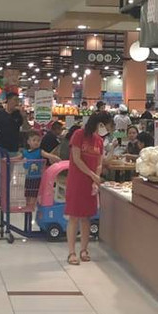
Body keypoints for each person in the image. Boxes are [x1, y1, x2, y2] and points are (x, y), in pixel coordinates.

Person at [66, 111, 112, 265]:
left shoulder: (99, 140)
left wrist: (95, 178)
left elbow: (99, 162)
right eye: (106, 126)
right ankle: (71, 252)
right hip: (77, 180)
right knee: (74, 216)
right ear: (99, 124)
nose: (106, 129)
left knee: (87, 217)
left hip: (91, 183)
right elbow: (77, 159)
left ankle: (84, 249)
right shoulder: (79, 135)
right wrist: (92, 175)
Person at [21, 130, 45, 233]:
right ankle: (28, 205)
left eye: (38, 141)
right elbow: (19, 157)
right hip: (28, 177)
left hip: (36, 178)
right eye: (34, 140)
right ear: (28, 142)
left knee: (34, 193)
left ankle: (31, 206)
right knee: (28, 193)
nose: (36, 142)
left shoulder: (40, 152)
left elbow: (48, 155)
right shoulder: (25, 152)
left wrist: (55, 157)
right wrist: (8, 159)